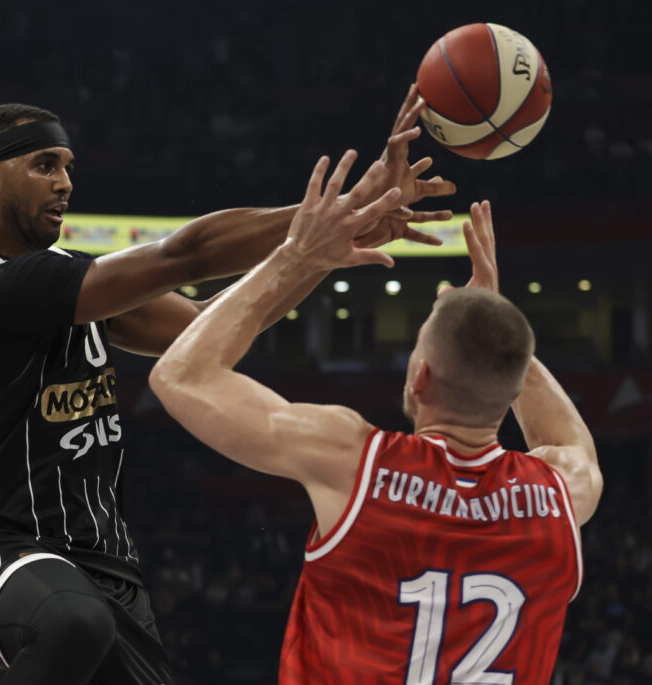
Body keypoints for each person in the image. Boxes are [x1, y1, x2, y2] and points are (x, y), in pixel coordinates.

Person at [0, 86, 455, 683]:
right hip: (3, 555)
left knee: (83, 620)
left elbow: (218, 325)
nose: (65, 183)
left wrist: (319, 253)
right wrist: (341, 209)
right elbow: (189, 255)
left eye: (69, 168)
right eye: (45, 165)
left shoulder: (78, 285)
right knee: (72, 623)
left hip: (109, 570)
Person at [149, 157, 603, 684]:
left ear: (420, 379)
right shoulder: (561, 491)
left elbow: (181, 375)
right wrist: (490, 323)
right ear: (511, 387)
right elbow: (566, 437)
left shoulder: (354, 462)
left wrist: (298, 256)